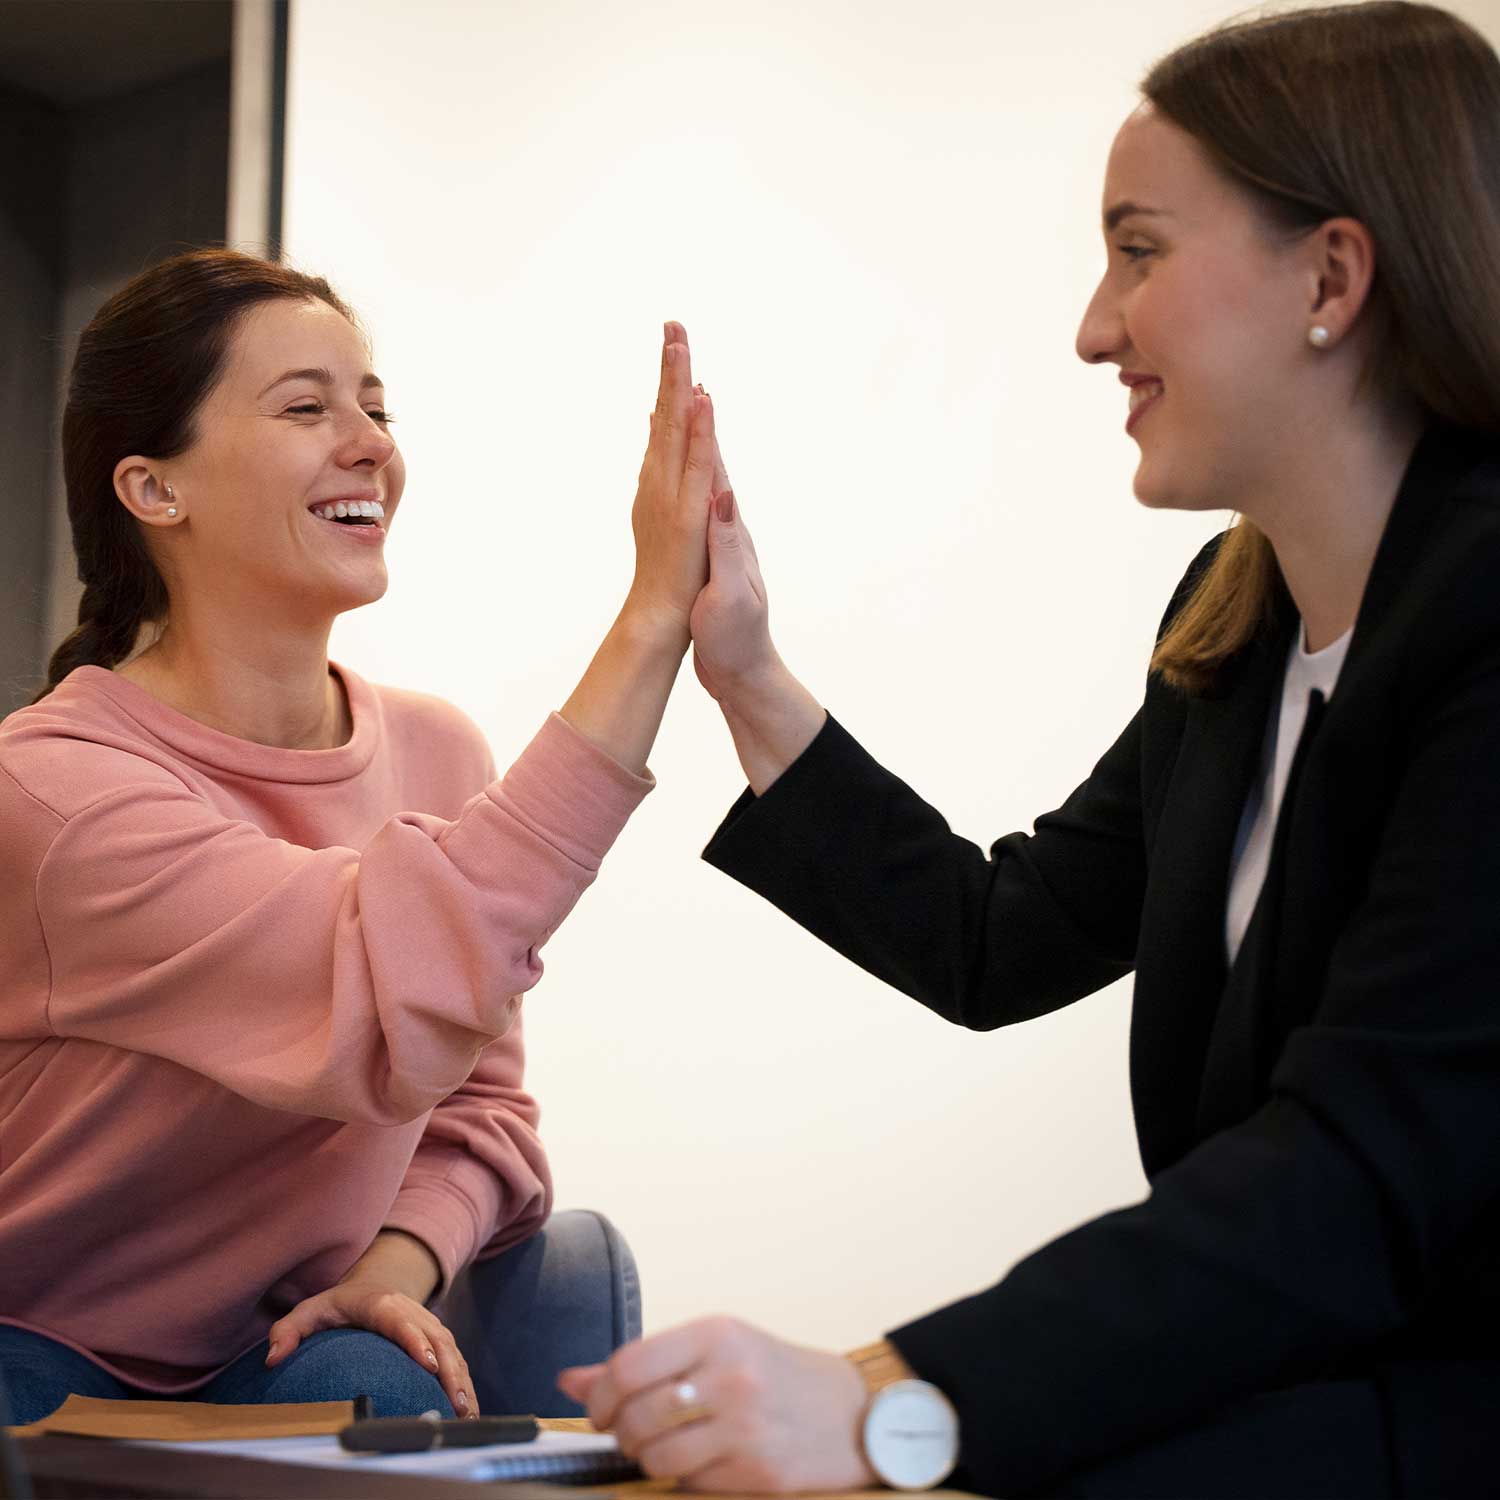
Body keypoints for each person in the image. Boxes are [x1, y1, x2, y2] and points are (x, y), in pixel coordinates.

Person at [558, 3, 1500, 1495]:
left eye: (1139, 251)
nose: (1092, 327)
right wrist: (744, 674)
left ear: (1333, 275)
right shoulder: (1234, 627)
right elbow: (1003, 938)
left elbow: (1357, 1178)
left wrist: (894, 1398)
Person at [0, 252, 724, 1424]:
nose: (370, 443)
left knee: (371, 1380)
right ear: (153, 489)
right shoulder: (52, 789)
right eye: (307, 407)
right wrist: (650, 622)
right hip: (39, 1344)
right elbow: (389, 977)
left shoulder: (438, 756)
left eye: (376, 407)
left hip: (278, 1338)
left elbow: (477, 1110)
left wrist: (390, 1273)